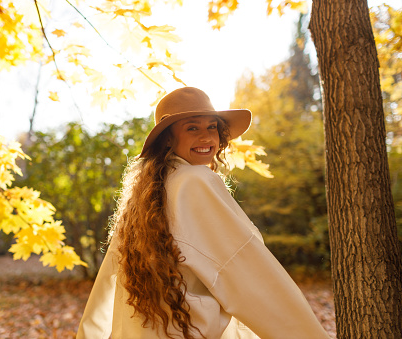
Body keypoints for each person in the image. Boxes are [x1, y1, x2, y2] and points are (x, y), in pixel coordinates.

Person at [76, 87, 329, 339]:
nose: (207, 137)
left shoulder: (143, 197)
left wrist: (89, 333)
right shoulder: (194, 182)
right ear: (167, 138)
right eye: (192, 128)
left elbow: (108, 278)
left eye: (212, 127)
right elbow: (245, 269)